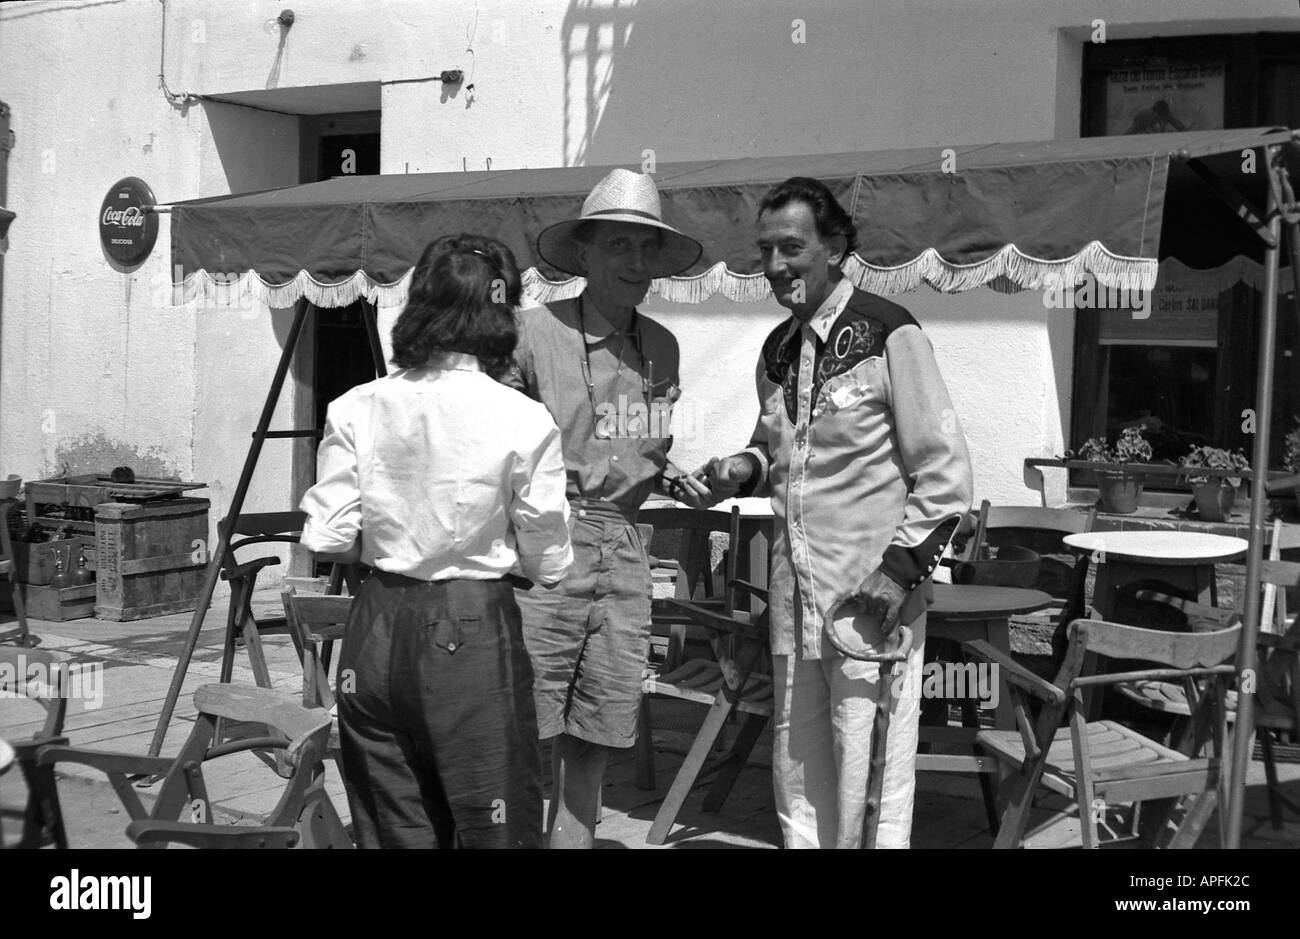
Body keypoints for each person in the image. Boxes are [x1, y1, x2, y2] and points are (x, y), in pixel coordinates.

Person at [698, 177, 973, 848]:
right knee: (798, 783)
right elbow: (781, 454)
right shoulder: (777, 351)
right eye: (765, 250)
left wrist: (898, 572)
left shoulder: (889, 334)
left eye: (791, 247)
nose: (774, 266)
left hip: (868, 604)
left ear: (836, 247)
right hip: (794, 606)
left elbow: (947, 472)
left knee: (870, 788)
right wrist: (744, 466)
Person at [299, 233, 573, 849]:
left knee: (392, 824)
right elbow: (549, 559)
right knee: (493, 821)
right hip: (470, 629)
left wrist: (398, 523)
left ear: (420, 304)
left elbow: (330, 536)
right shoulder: (523, 417)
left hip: (374, 632)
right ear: (501, 314)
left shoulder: (355, 407)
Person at [511, 169, 712, 848]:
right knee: (525, 718)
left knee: (600, 718)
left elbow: (639, 446)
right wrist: (597, 471)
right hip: (541, 545)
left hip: (625, 549)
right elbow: (498, 450)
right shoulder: (530, 334)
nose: (634, 263)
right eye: (618, 246)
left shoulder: (662, 348)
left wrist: (663, 470)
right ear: (585, 255)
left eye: (645, 249)